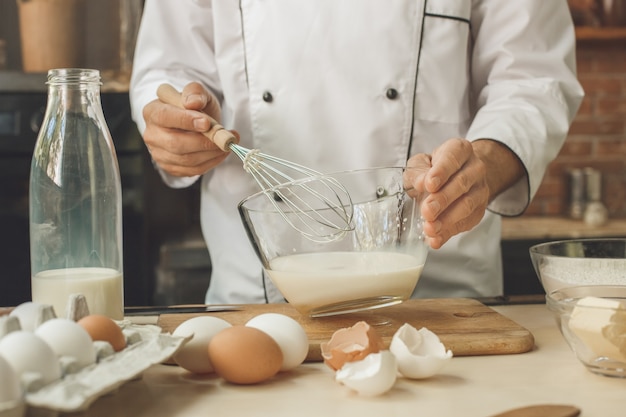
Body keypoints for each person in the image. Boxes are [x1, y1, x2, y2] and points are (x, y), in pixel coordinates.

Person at [129, 1, 584, 304]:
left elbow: (532, 80)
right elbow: (168, 67)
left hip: (439, 296)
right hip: (259, 300)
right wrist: (175, 123)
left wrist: (479, 166)